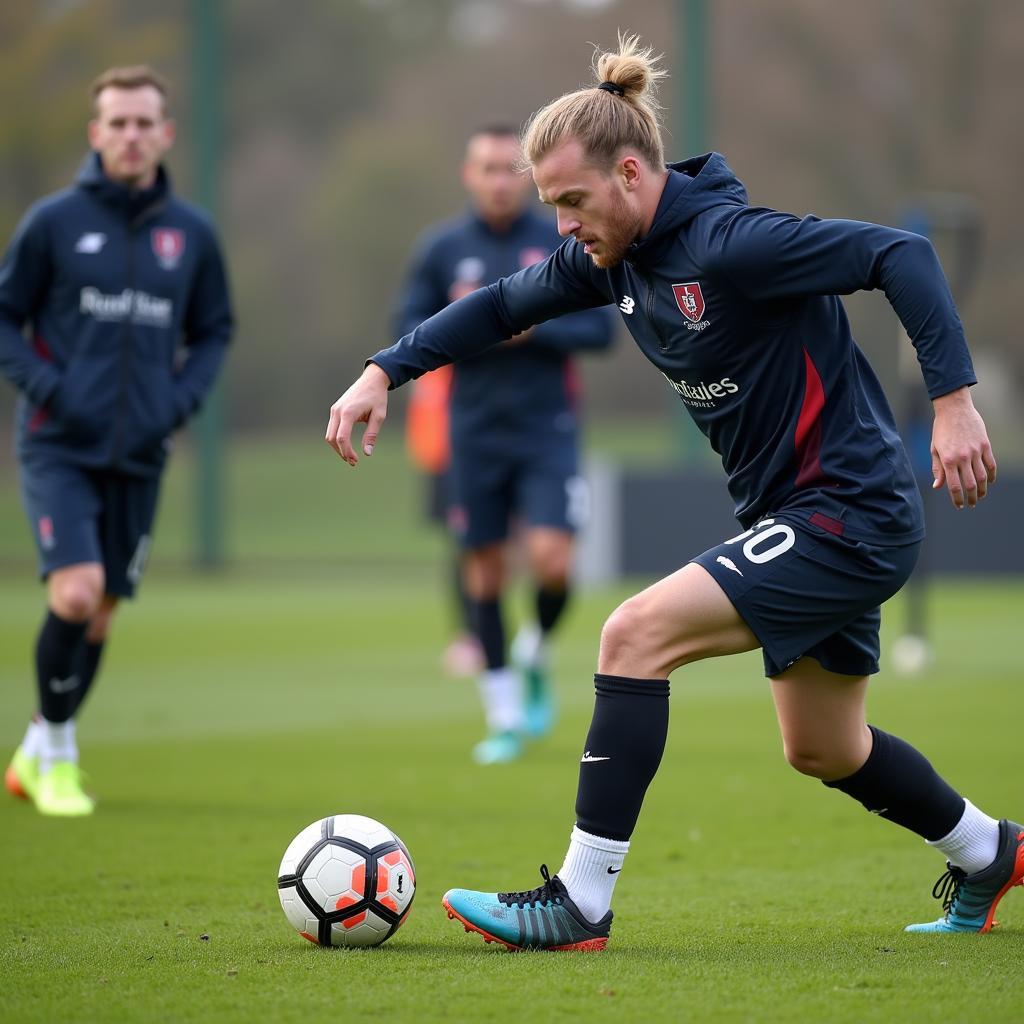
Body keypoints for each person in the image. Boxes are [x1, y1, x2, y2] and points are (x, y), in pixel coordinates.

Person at [326, 34, 1019, 948]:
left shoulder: (732, 243)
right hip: (802, 515)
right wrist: (383, 369)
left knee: (632, 633)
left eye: (573, 201)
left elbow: (902, 256)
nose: (563, 225)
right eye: (551, 206)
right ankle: (991, 852)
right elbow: (499, 306)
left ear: (629, 172)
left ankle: (580, 903)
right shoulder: (611, 260)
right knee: (824, 747)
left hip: (848, 510)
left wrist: (955, 402)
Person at [0, 65, 233, 817]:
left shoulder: (190, 234)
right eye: (117, 122)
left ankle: (37, 744)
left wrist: (178, 400)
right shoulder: (53, 223)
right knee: (75, 592)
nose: (131, 136)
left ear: (165, 134)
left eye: (144, 123)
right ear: (96, 133)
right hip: (57, 444)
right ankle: (59, 760)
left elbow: (214, 331)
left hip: (141, 450)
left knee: (100, 612)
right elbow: (6, 318)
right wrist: (55, 390)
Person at [394, 126, 615, 764]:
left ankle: (535, 652)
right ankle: (504, 715)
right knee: (484, 571)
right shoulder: (441, 250)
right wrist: (465, 325)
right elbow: (405, 327)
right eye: (486, 168)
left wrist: (527, 327)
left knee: (553, 562)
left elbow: (603, 329)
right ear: (469, 174)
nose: (498, 180)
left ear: (527, 175)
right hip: (473, 432)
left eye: (508, 169)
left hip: (548, 428)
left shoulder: (560, 239)